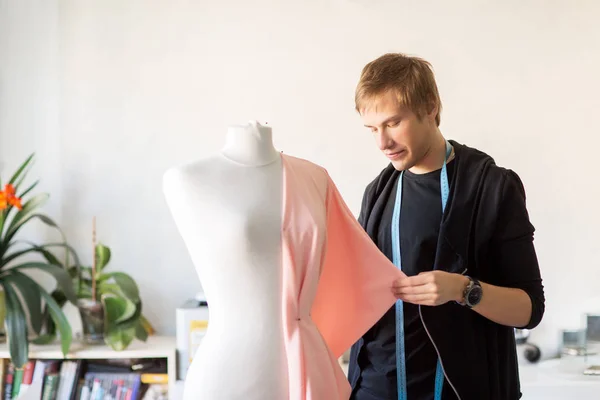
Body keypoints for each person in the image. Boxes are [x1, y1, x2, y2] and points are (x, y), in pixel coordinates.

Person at [347, 53, 545, 400]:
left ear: (431, 108)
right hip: (374, 388)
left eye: (393, 123)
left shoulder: (492, 188)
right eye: (372, 129)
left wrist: (463, 290)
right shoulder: (378, 193)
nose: (382, 143)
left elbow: (529, 309)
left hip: (456, 390)